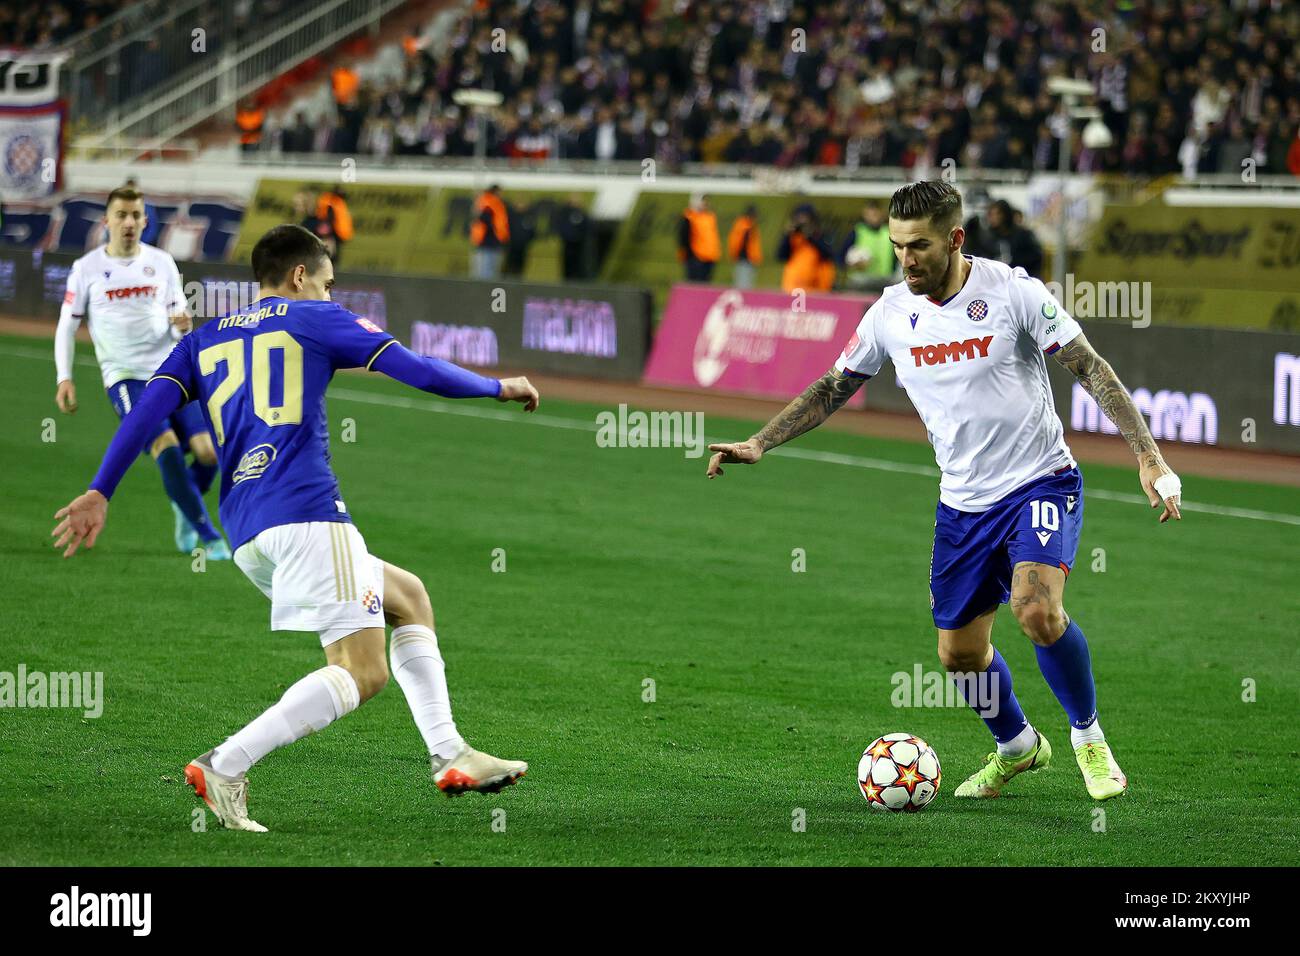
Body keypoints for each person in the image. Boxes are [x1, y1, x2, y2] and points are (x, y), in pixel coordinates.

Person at [706, 180, 1184, 803]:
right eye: (899, 246)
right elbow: (832, 386)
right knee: (959, 657)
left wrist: (1148, 457)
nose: (907, 259)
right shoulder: (888, 314)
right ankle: (1016, 746)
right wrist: (761, 441)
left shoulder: (1013, 292)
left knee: (1037, 609)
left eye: (920, 246)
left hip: (1038, 479)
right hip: (961, 503)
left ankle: (1088, 737)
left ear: (956, 238)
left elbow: (1091, 366)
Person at [52, 224, 541, 831]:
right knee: (362, 671)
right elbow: (417, 369)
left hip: (247, 532)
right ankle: (226, 763)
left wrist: (101, 489)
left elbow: (145, 414)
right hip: (307, 514)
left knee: (408, 596)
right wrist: (499, 386)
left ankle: (450, 753)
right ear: (300, 275)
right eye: (329, 283)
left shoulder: (202, 339)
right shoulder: (313, 317)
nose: (333, 296)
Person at [54, 185, 229, 559]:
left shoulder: (162, 261)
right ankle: (209, 535)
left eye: (136, 215)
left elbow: (179, 316)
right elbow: (66, 327)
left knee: (208, 454)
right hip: (126, 378)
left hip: (172, 371)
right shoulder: (86, 269)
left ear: (145, 221)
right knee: (165, 448)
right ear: (107, 221)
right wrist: (63, 377)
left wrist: (183, 323)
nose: (129, 222)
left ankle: (184, 504)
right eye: (121, 215)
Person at [963, 198, 1044, 278]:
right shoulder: (990, 237)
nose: (994, 218)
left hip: (1021, 279)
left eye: (998, 214)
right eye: (991, 214)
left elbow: (1036, 256)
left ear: (1006, 215)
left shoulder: (1023, 235)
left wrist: (1014, 262)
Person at [777, 204, 835, 292]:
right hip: (793, 285)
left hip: (815, 286)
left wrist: (810, 236)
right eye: (799, 218)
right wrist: (787, 235)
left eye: (805, 218)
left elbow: (828, 255)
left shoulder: (819, 235)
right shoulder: (793, 236)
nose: (801, 221)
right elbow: (781, 256)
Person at [839, 200, 897, 288]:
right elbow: (841, 257)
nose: (872, 218)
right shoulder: (857, 232)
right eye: (869, 215)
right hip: (862, 280)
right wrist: (853, 264)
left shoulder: (890, 233)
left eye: (875, 215)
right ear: (864, 215)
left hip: (884, 280)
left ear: (881, 214)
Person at [677, 193, 720, 283]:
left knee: (705, 286)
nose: (705, 203)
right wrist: (689, 255)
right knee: (694, 284)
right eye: (703, 201)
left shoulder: (709, 217)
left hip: (709, 258)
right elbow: (684, 239)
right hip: (695, 258)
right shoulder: (689, 218)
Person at [470, 184, 510, 279]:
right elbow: (484, 218)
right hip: (487, 239)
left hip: (492, 239)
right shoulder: (489, 202)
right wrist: (495, 229)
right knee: (485, 269)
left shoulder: (491, 201)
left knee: (489, 268)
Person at [556, 193, 595, 281]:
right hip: (568, 242)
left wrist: (582, 236)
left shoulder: (582, 213)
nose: (576, 201)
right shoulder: (565, 212)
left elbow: (587, 226)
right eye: (574, 199)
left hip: (579, 243)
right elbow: (560, 225)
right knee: (568, 263)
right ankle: (567, 280)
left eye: (577, 199)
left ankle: (578, 279)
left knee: (579, 263)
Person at [727, 204, 762, 289]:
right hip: (744, 260)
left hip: (748, 260)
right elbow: (737, 244)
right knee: (743, 286)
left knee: (746, 285)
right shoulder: (744, 226)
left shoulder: (748, 225)